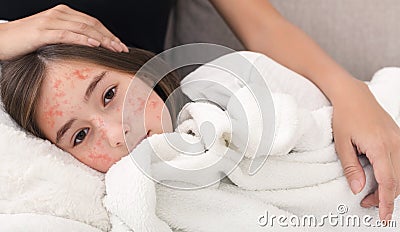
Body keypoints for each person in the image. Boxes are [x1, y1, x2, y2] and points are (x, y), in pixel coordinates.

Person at [0, 1, 398, 222]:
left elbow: (263, 27)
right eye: (82, 134)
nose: (117, 132)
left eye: (107, 98)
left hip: (166, 102)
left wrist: (353, 94)